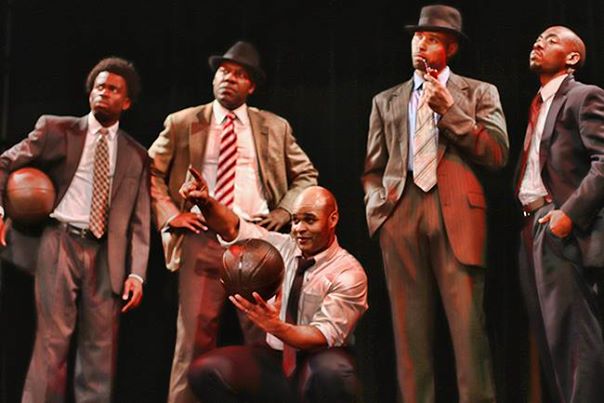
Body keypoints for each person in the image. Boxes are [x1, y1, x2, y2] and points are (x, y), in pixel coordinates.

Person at [148, 40, 318, 403]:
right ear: (214, 78)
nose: (229, 78)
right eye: (224, 71)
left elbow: (306, 176)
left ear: (251, 86)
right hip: (202, 237)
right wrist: (171, 215)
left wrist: (283, 213)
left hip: (255, 240)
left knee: (264, 338)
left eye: (239, 74)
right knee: (193, 340)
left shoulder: (274, 126)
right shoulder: (183, 122)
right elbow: (149, 172)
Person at [362, 5, 509, 403]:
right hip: (401, 212)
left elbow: (497, 154)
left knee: (468, 333)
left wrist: (450, 111)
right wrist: (380, 211)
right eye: (417, 36)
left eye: (431, 39)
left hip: (457, 216)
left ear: (451, 48)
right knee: (409, 336)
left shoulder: (479, 92)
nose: (420, 44)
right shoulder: (387, 100)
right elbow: (373, 168)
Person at [0, 57, 150, 402]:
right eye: (99, 87)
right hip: (61, 241)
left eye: (113, 89)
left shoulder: (136, 155)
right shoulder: (57, 129)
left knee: (100, 347)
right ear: (90, 92)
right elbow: (5, 163)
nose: (104, 93)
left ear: (126, 102)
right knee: (52, 340)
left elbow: (140, 220)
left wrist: (137, 273)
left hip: (107, 253)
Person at [179, 168, 367, 403]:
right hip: (276, 359)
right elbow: (233, 228)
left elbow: (322, 335)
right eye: (295, 220)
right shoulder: (280, 248)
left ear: (333, 219)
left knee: (332, 372)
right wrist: (206, 203)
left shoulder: (348, 272)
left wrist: (277, 327)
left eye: (309, 220)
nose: (299, 228)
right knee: (205, 372)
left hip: (319, 360)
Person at [515, 25, 604, 402]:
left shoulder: (583, 96)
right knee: (551, 339)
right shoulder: (538, 104)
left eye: (551, 39)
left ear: (572, 58)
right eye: (537, 38)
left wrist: (568, 215)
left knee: (575, 337)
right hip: (532, 225)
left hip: (562, 225)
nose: (538, 42)